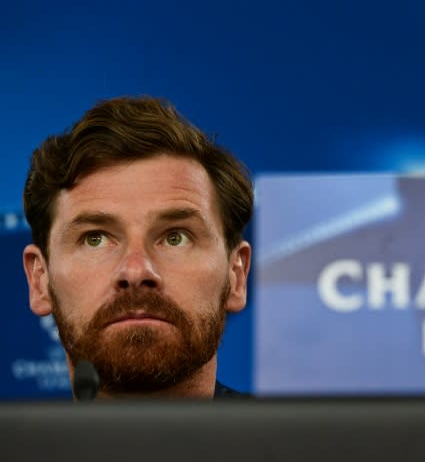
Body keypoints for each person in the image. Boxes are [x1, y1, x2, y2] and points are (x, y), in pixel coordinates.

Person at [21, 96, 253, 399]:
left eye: (175, 237)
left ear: (236, 276)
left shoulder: (311, 447)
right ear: (40, 281)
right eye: (96, 239)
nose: (136, 270)